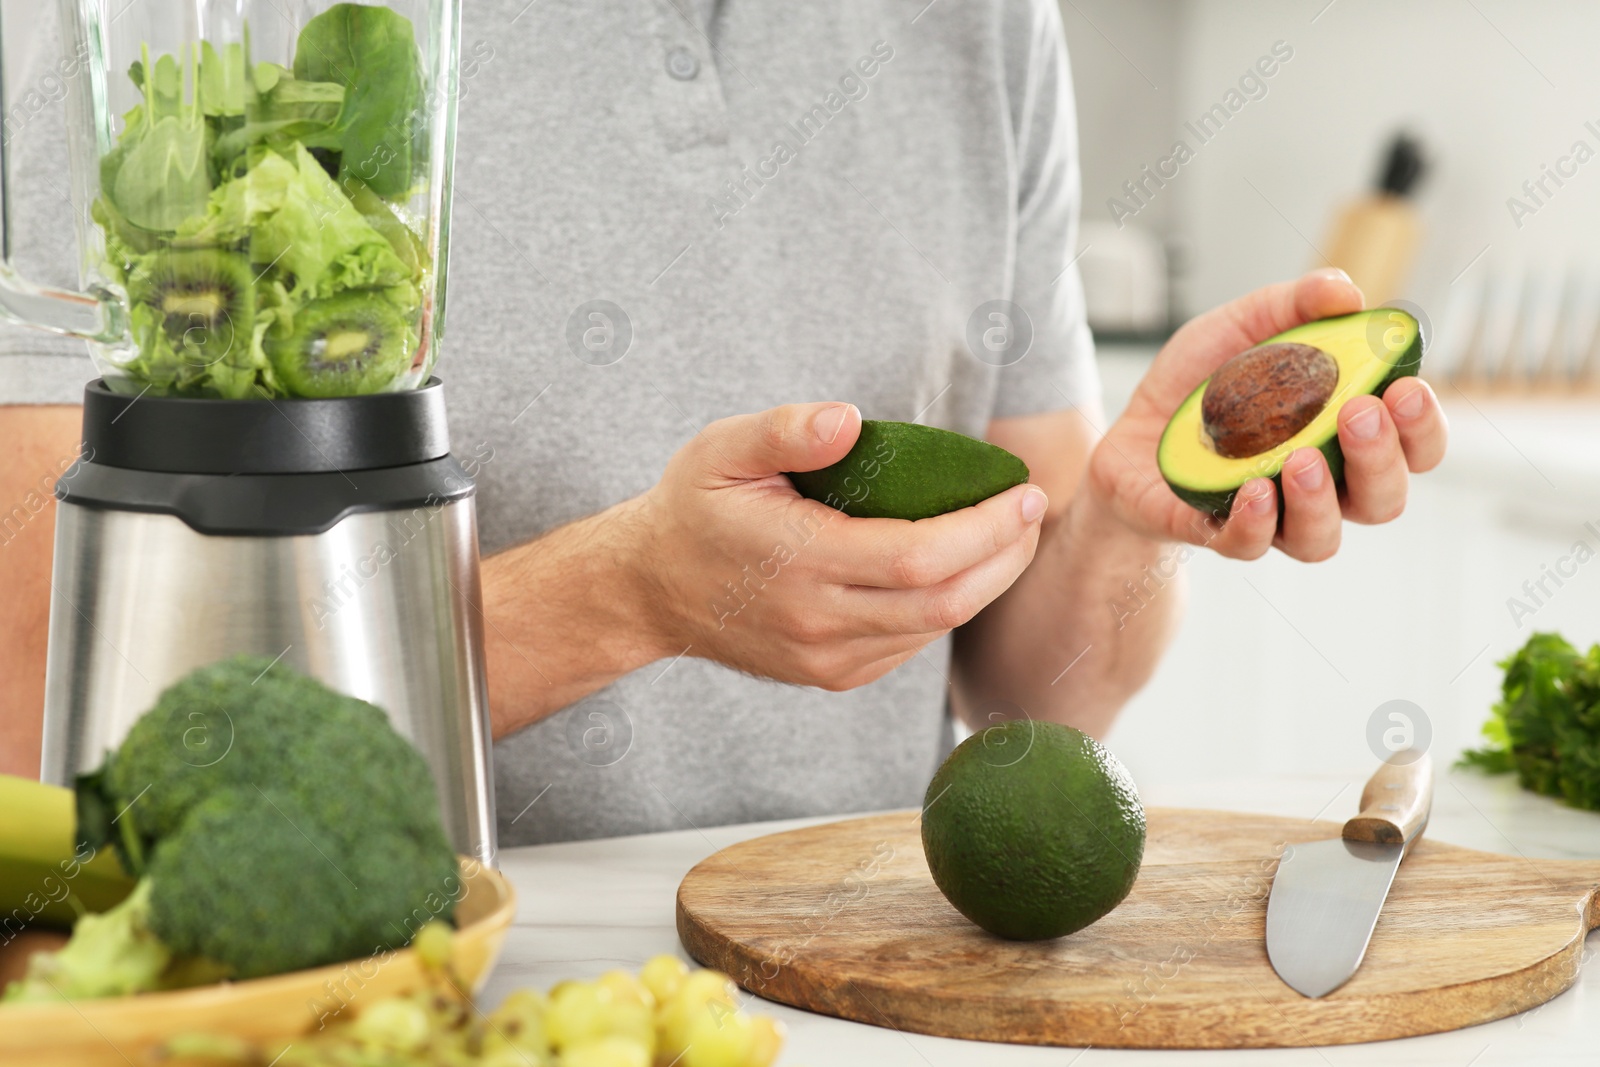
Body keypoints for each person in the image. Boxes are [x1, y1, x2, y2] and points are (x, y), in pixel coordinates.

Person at [0, 0, 1446, 844]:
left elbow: (1031, 699)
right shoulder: (145, 33)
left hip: (858, 982)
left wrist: (1132, 524)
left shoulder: (981, 22)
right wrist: (627, 596)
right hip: (380, 998)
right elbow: (50, 735)